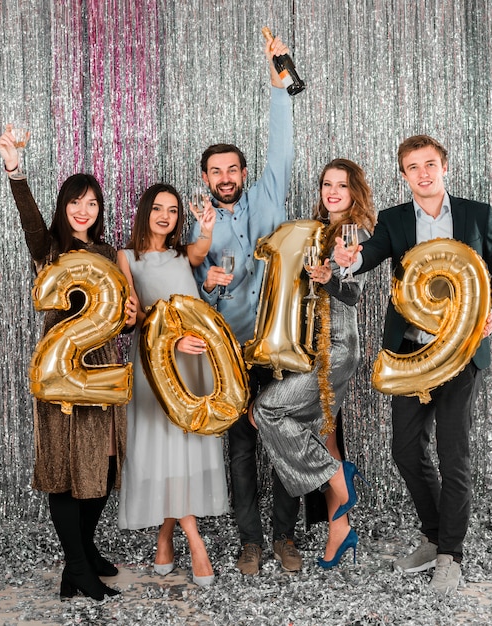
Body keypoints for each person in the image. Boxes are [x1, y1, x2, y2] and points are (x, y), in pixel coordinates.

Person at [334, 135, 492, 593]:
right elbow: (368, 256)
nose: (423, 173)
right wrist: (346, 263)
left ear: (445, 167)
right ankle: (435, 535)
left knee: (453, 456)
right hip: (412, 356)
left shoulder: (476, 214)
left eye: (430, 164)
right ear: (403, 175)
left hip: (461, 357)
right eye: (413, 167)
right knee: (404, 450)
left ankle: (450, 555)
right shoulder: (394, 220)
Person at [0, 126, 137, 601]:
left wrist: (132, 321)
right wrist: (15, 170)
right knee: (64, 469)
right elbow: (29, 219)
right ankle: (77, 567)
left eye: (92, 202)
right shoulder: (50, 248)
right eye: (76, 201)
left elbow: (122, 319)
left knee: (99, 470)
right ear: (64, 207)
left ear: (99, 210)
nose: (83, 210)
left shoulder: (108, 254)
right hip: (61, 376)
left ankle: (85, 553)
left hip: (100, 369)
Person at [189, 34, 301, 575]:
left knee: (282, 442)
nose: (226, 178)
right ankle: (250, 541)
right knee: (239, 451)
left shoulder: (267, 196)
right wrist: (207, 280)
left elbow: (281, 146)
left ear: (244, 174)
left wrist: (279, 85)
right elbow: (187, 289)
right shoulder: (197, 225)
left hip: (278, 345)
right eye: (217, 172)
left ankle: (285, 538)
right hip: (230, 350)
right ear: (206, 179)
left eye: (233, 170)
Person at [251, 158, 376, 569]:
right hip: (311, 348)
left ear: (355, 191)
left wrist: (329, 278)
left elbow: (353, 295)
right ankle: (340, 530)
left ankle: (339, 478)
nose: (333, 191)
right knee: (315, 433)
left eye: (342, 185)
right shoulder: (318, 232)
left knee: (267, 409)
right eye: (327, 184)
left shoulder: (355, 233)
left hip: (337, 348)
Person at [117, 183, 229, 586]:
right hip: (156, 362)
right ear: (145, 210)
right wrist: (171, 339)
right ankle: (195, 543)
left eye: (173, 210)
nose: (166, 216)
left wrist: (208, 227)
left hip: (194, 360)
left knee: (183, 447)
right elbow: (135, 315)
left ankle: (165, 535)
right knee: (160, 444)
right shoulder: (126, 257)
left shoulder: (185, 254)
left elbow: (202, 249)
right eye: (158, 208)